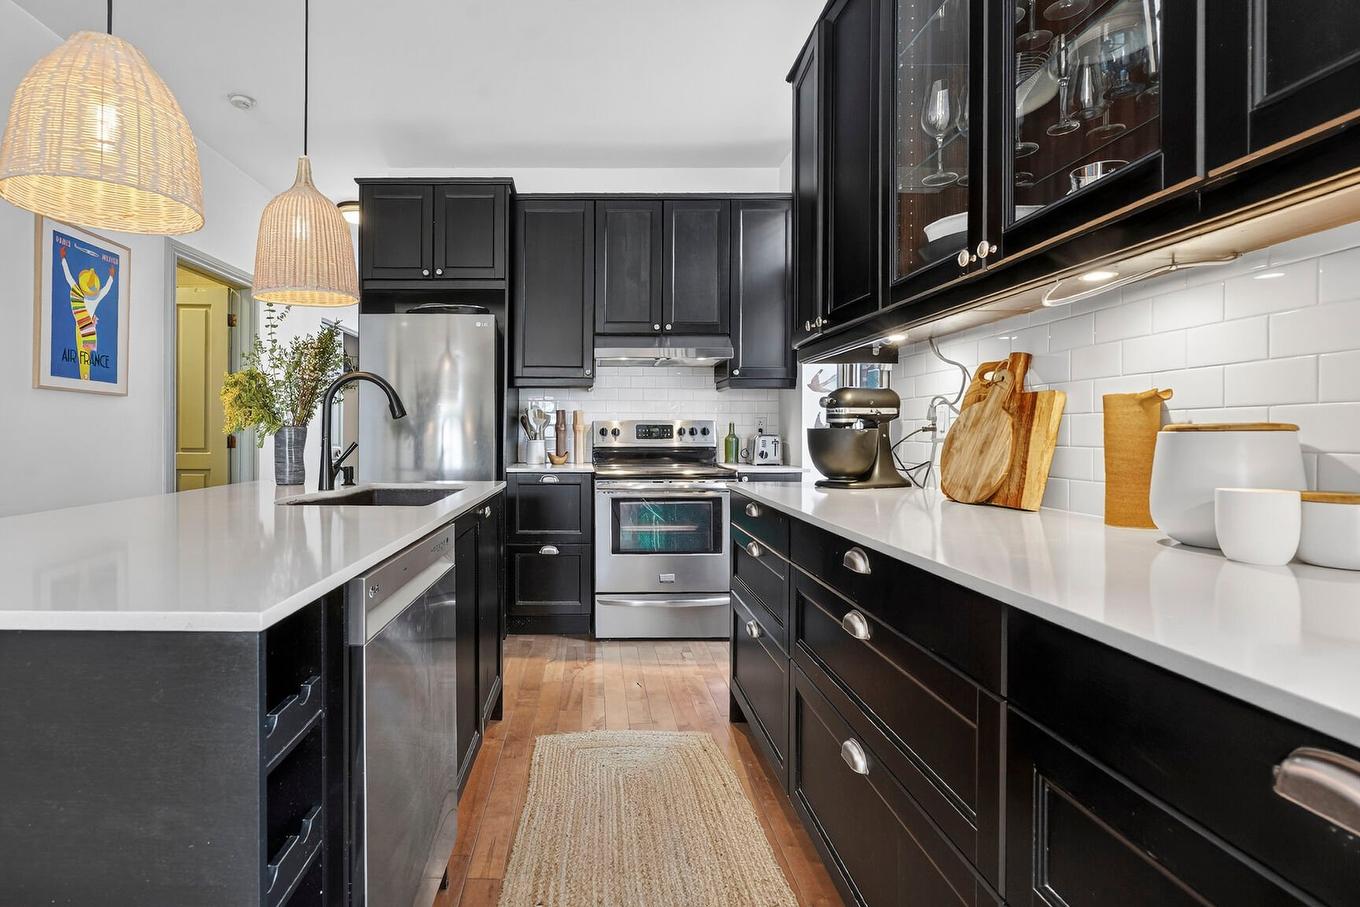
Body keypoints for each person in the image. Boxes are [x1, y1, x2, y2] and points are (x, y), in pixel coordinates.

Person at [59, 245, 115, 381]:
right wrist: (111, 277)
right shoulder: (96, 297)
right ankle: (86, 378)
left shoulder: (77, 293)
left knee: (82, 357)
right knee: (85, 358)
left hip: (81, 329)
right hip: (90, 330)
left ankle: (85, 378)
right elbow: (106, 289)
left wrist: (63, 259)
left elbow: (69, 277)